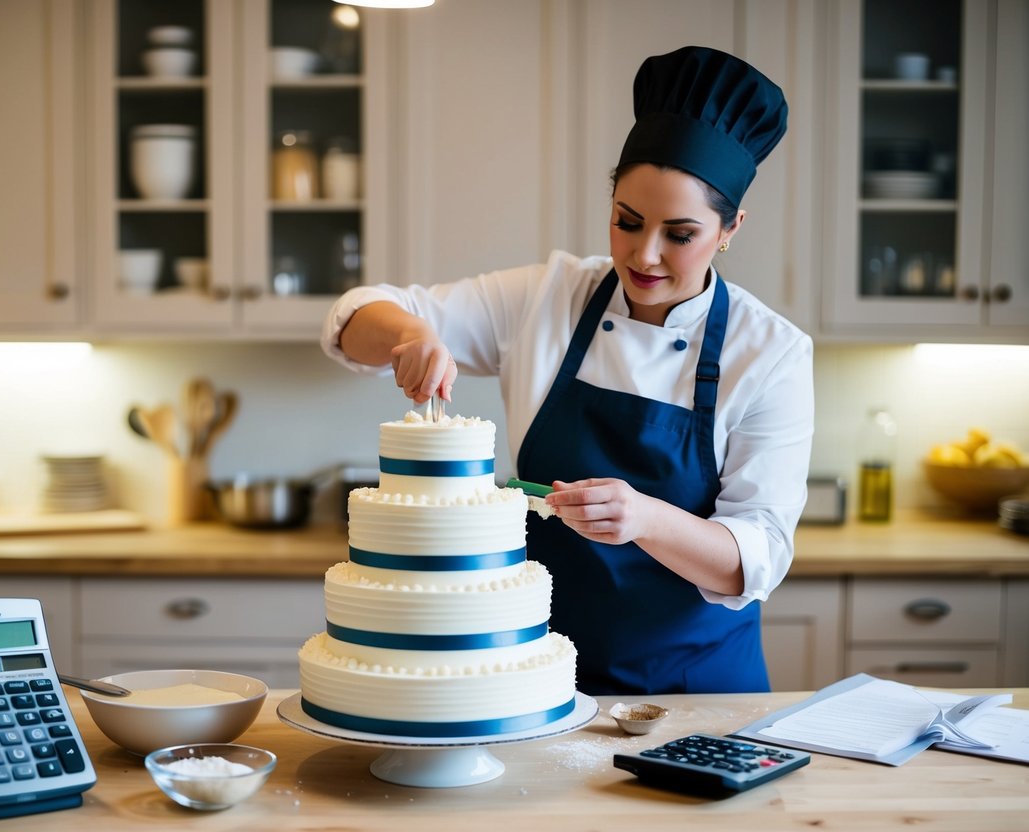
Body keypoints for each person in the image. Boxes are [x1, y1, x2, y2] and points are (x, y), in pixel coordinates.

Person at [320, 45, 814, 695]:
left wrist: (643, 518)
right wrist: (412, 334)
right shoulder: (548, 297)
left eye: (680, 233)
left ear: (729, 229)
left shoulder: (769, 352)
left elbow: (753, 561)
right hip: (535, 680)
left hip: (698, 692)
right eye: (626, 222)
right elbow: (352, 318)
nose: (644, 254)